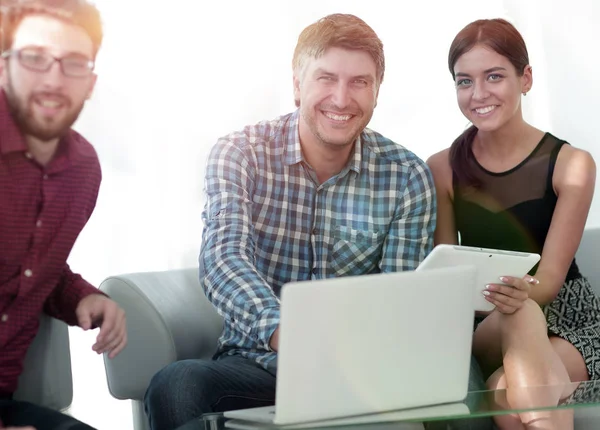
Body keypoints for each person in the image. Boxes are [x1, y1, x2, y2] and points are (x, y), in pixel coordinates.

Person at [143, 12, 441, 430]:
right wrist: (289, 333)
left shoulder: (407, 175)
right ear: (298, 85)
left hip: (352, 378)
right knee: (177, 385)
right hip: (259, 364)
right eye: (326, 78)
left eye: (360, 82)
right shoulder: (240, 153)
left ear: (377, 92)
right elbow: (222, 259)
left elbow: (398, 298)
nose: (342, 98)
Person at [427, 18, 600, 430]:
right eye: (464, 81)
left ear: (526, 79)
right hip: (488, 324)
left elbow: (550, 280)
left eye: (494, 77)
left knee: (507, 396)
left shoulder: (572, 165)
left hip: (568, 320)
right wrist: (504, 300)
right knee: (518, 313)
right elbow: (448, 278)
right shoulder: (442, 169)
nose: (479, 94)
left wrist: (521, 295)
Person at [0, 1, 127, 429]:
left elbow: (34, 271)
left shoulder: (81, 169)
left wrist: (83, 299)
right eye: (34, 58)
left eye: (73, 63)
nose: (53, 80)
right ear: (5, 67)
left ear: (90, 82)